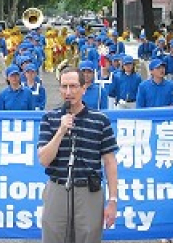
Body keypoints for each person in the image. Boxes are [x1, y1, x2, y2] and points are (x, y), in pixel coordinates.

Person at [37, 67, 118, 243]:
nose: (68, 92)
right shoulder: (49, 119)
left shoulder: (100, 120)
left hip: (89, 191)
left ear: (83, 88)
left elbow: (110, 162)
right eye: (64, 86)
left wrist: (112, 200)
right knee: (53, 236)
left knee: (89, 237)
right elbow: (44, 159)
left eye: (73, 86)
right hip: (57, 187)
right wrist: (60, 131)